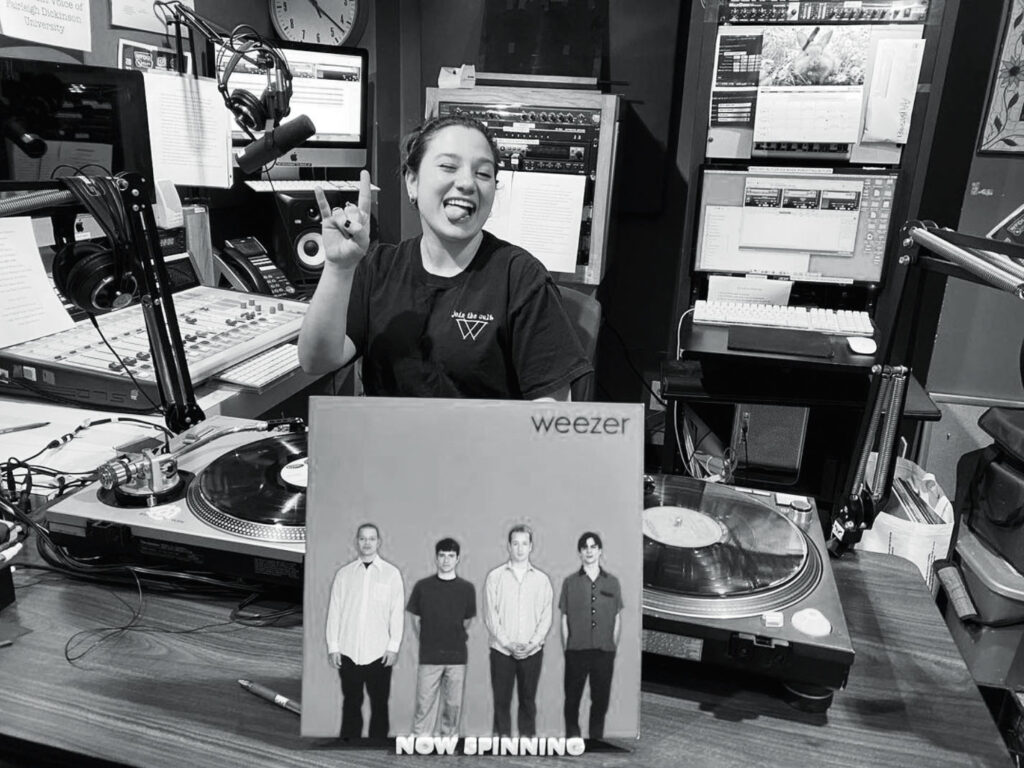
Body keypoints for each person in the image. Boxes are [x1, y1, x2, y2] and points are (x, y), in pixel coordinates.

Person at [297, 113, 592, 400]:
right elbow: (316, 362)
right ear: (412, 182)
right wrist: (338, 268)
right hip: (389, 446)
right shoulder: (378, 268)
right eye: (449, 167)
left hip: (485, 449)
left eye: (483, 173)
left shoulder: (521, 278)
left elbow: (551, 412)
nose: (467, 183)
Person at [325, 523, 404, 739]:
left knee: (380, 704)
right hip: (348, 651)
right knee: (351, 702)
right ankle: (349, 745)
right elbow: (335, 612)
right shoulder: (344, 574)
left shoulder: (391, 574)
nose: (367, 543)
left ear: (379, 542)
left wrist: (393, 646)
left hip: (379, 653)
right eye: (362, 538)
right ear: (356, 541)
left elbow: (396, 613)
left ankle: (377, 747)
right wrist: (333, 646)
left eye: (371, 539)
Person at [483, 524, 553, 736]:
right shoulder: (495, 577)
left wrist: (532, 644)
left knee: (528, 701)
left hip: (532, 652)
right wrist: (508, 643)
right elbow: (490, 615)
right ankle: (501, 742)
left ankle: (527, 742)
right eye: (515, 543)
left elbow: (546, 617)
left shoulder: (542, 580)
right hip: (501, 651)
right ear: (508, 546)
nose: (520, 549)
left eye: (524, 544)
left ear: (531, 547)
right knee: (501, 701)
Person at [406, 537, 477, 736]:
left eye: (451, 556)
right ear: (436, 558)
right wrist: (428, 639)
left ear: (458, 559)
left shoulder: (467, 588)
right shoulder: (422, 586)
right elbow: (416, 618)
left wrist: (451, 636)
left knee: (453, 706)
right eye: (442, 555)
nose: (446, 560)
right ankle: (421, 740)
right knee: (424, 703)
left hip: (456, 656)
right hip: (429, 655)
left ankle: (448, 741)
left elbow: (466, 621)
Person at [558, 532, 622, 739]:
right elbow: (564, 618)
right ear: (579, 552)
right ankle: (573, 738)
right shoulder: (569, 582)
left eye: (593, 547)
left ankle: (596, 738)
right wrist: (567, 649)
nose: (589, 551)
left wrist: (612, 647)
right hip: (576, 651)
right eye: (585, 547)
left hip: (604, 652)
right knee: (572, 700)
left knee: (601, 700)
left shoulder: (612, 582)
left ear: (600, 551)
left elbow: (617, 617)